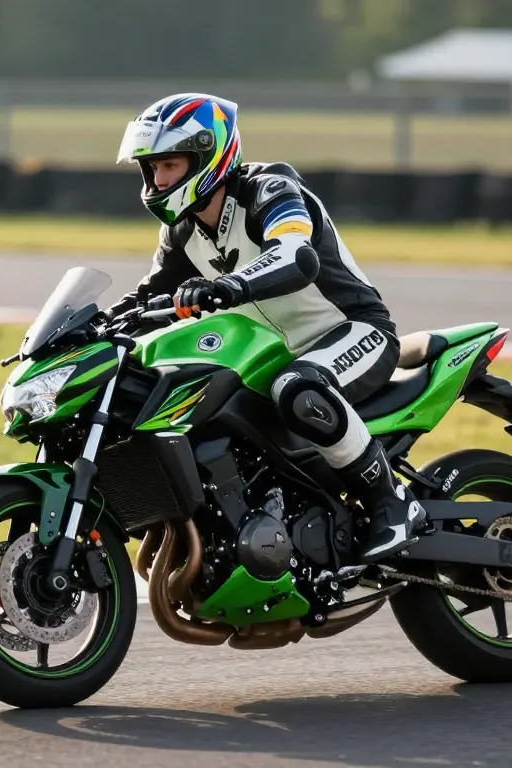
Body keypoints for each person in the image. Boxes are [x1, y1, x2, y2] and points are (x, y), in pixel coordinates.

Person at [105, 93, 426, 562]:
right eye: (152, 168)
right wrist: (89, 327)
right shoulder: (181, 231)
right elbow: (145, 298)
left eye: (169, 165)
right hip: (274, 355)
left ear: (206, 156)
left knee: (297, 388)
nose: (159, 180)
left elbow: (296, 255)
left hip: (353, 331)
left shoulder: (269, 190)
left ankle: (392, 503)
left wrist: (228, 287)